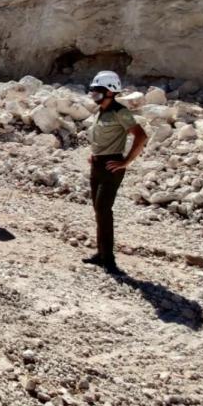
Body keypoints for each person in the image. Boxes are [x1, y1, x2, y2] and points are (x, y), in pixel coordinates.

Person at [83, 70, 148, 273]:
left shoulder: (121, 112)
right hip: (97, 164)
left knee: (104, 209)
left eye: (97, 90)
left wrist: (126, 161)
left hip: (112, 166)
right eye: (92, 90)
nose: (93, 93)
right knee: (98, 210)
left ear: (110, 92)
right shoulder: (100, 112)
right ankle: (101, 254)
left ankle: (108, 259)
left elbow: (141, 136)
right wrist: (94, 153)